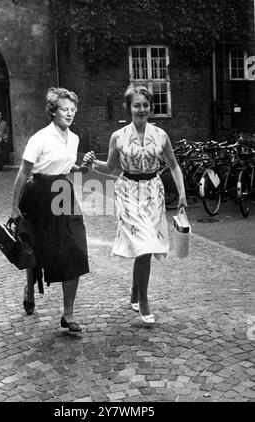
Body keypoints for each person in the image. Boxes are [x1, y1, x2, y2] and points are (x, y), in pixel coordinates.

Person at [84, 85, 187, 324]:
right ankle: (144, 301)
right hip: (128, 192)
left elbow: (173, 165)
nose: (142, 109)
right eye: (137, 105)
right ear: (128, 107)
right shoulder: (118, 136)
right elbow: (110, 167)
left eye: (145, 105)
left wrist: (181, 193)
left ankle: (134, 290)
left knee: (145, 246)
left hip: (153, 191)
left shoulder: (161, 135)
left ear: (151, 107)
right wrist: (91, 163)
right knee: (144, 246)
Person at [10, 87, 92, 333]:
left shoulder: (74, 138)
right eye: (65, 109)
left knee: (75, 248)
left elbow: (68, 168)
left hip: (63, 191)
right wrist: (14, 206)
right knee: (34, 247)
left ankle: (68, 315)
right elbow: (24, 172)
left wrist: (83, 169)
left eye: (73, 109)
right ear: (53, 111)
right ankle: (29, 286)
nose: (70, 113)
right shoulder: (40, 138)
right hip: (38, 194)